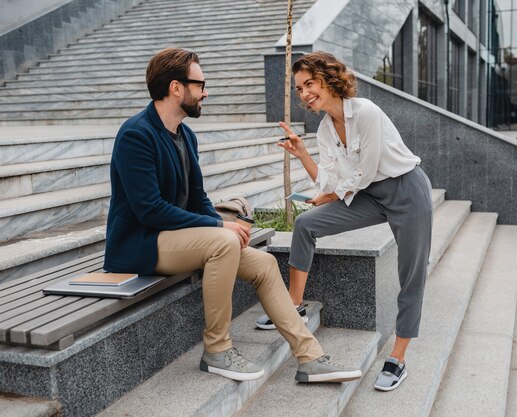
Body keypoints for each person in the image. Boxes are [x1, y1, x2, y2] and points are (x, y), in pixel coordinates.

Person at [103, 48, 361, 383]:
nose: (205, 92)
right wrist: (218, 225)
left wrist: (223, 222)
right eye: (200, 84)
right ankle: (217, 350)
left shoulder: (185, 134)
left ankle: (309, 358)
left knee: (265, 264)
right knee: (223, 242)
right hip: (140, 245)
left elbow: (197, 198)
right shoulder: (136, 135)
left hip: (178, 239)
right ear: (176, 88)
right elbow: (149, 210)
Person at [254, 51, 433, 392]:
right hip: (366, 195)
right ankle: (293, 309)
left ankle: (398, 359)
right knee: (307, 225)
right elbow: (329, 181)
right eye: (299, 88)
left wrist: (333, 194)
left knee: (411, 277)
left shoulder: (365, 112)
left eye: (310, 83)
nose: (305, 93)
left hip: (407, 192)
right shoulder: (325, 129)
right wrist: (302, 155)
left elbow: (364, 171)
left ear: (328, 77)